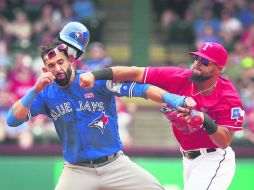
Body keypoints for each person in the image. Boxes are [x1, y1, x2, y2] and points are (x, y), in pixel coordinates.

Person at [6, 37, 197, 189]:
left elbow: (143, 90)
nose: (57, 68)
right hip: (77, 169)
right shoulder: (45, 93)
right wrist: (35, 89)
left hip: (114, 164)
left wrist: (174, 99)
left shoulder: (94, 80)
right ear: (44, 69)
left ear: (71, 61)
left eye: (61, 62)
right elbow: (13, 120)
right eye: (51, 65)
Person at [79, 41, 245, 190]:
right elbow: (135, 73)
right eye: (196, 58)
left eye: (205, 62)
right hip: (188, 158)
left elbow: (225, 141)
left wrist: (204, 119)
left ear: (219, 68)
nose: (197, 64)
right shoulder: (180, 77)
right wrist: (95, 75)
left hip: (214, 158)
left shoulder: (228, 97)